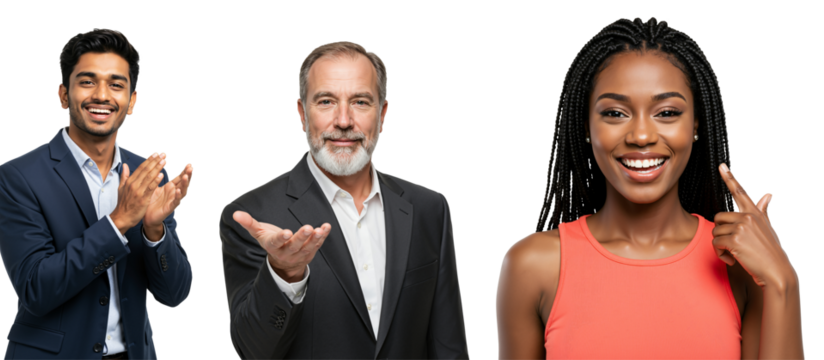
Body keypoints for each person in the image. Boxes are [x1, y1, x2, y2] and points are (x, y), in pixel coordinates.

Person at [494, 17, 804, 359]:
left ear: (696, 124)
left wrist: (783, 281)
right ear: (586, 126)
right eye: (615, 113)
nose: (641, 136)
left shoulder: (741, 266)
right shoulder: (532, 266)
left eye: (667, 112)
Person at [219, 41, 470, 359]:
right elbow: (253, 351)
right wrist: (284, 274)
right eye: (326, 101)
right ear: (302, 114)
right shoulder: (251, 216)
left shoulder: (429, 209)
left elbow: (449, 347)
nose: (343, 120)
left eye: (360, 102)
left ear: (382, 115)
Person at [0, 28, 195, 360]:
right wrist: (119, 221)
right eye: (87, 82)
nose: (101, 95)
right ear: (63, 95)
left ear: (132, 101)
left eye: (116, 85)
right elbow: (36, 290)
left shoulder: (148, 176)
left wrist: (154, 230)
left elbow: (175, 295)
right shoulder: (17, 177)